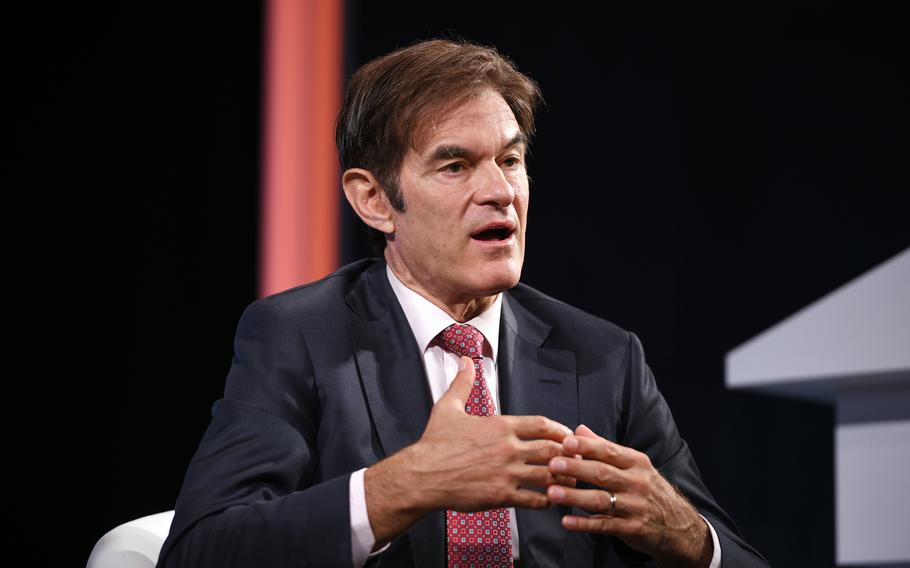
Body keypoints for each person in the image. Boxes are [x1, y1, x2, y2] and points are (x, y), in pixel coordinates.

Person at [158, 39, 768, 568]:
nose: (501, 191)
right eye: (455, 165)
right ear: (374, 200)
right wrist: (404, 485)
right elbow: (200, 551)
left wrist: (686, 536)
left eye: (511, 160)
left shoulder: (602, 357)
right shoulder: (299, 337)